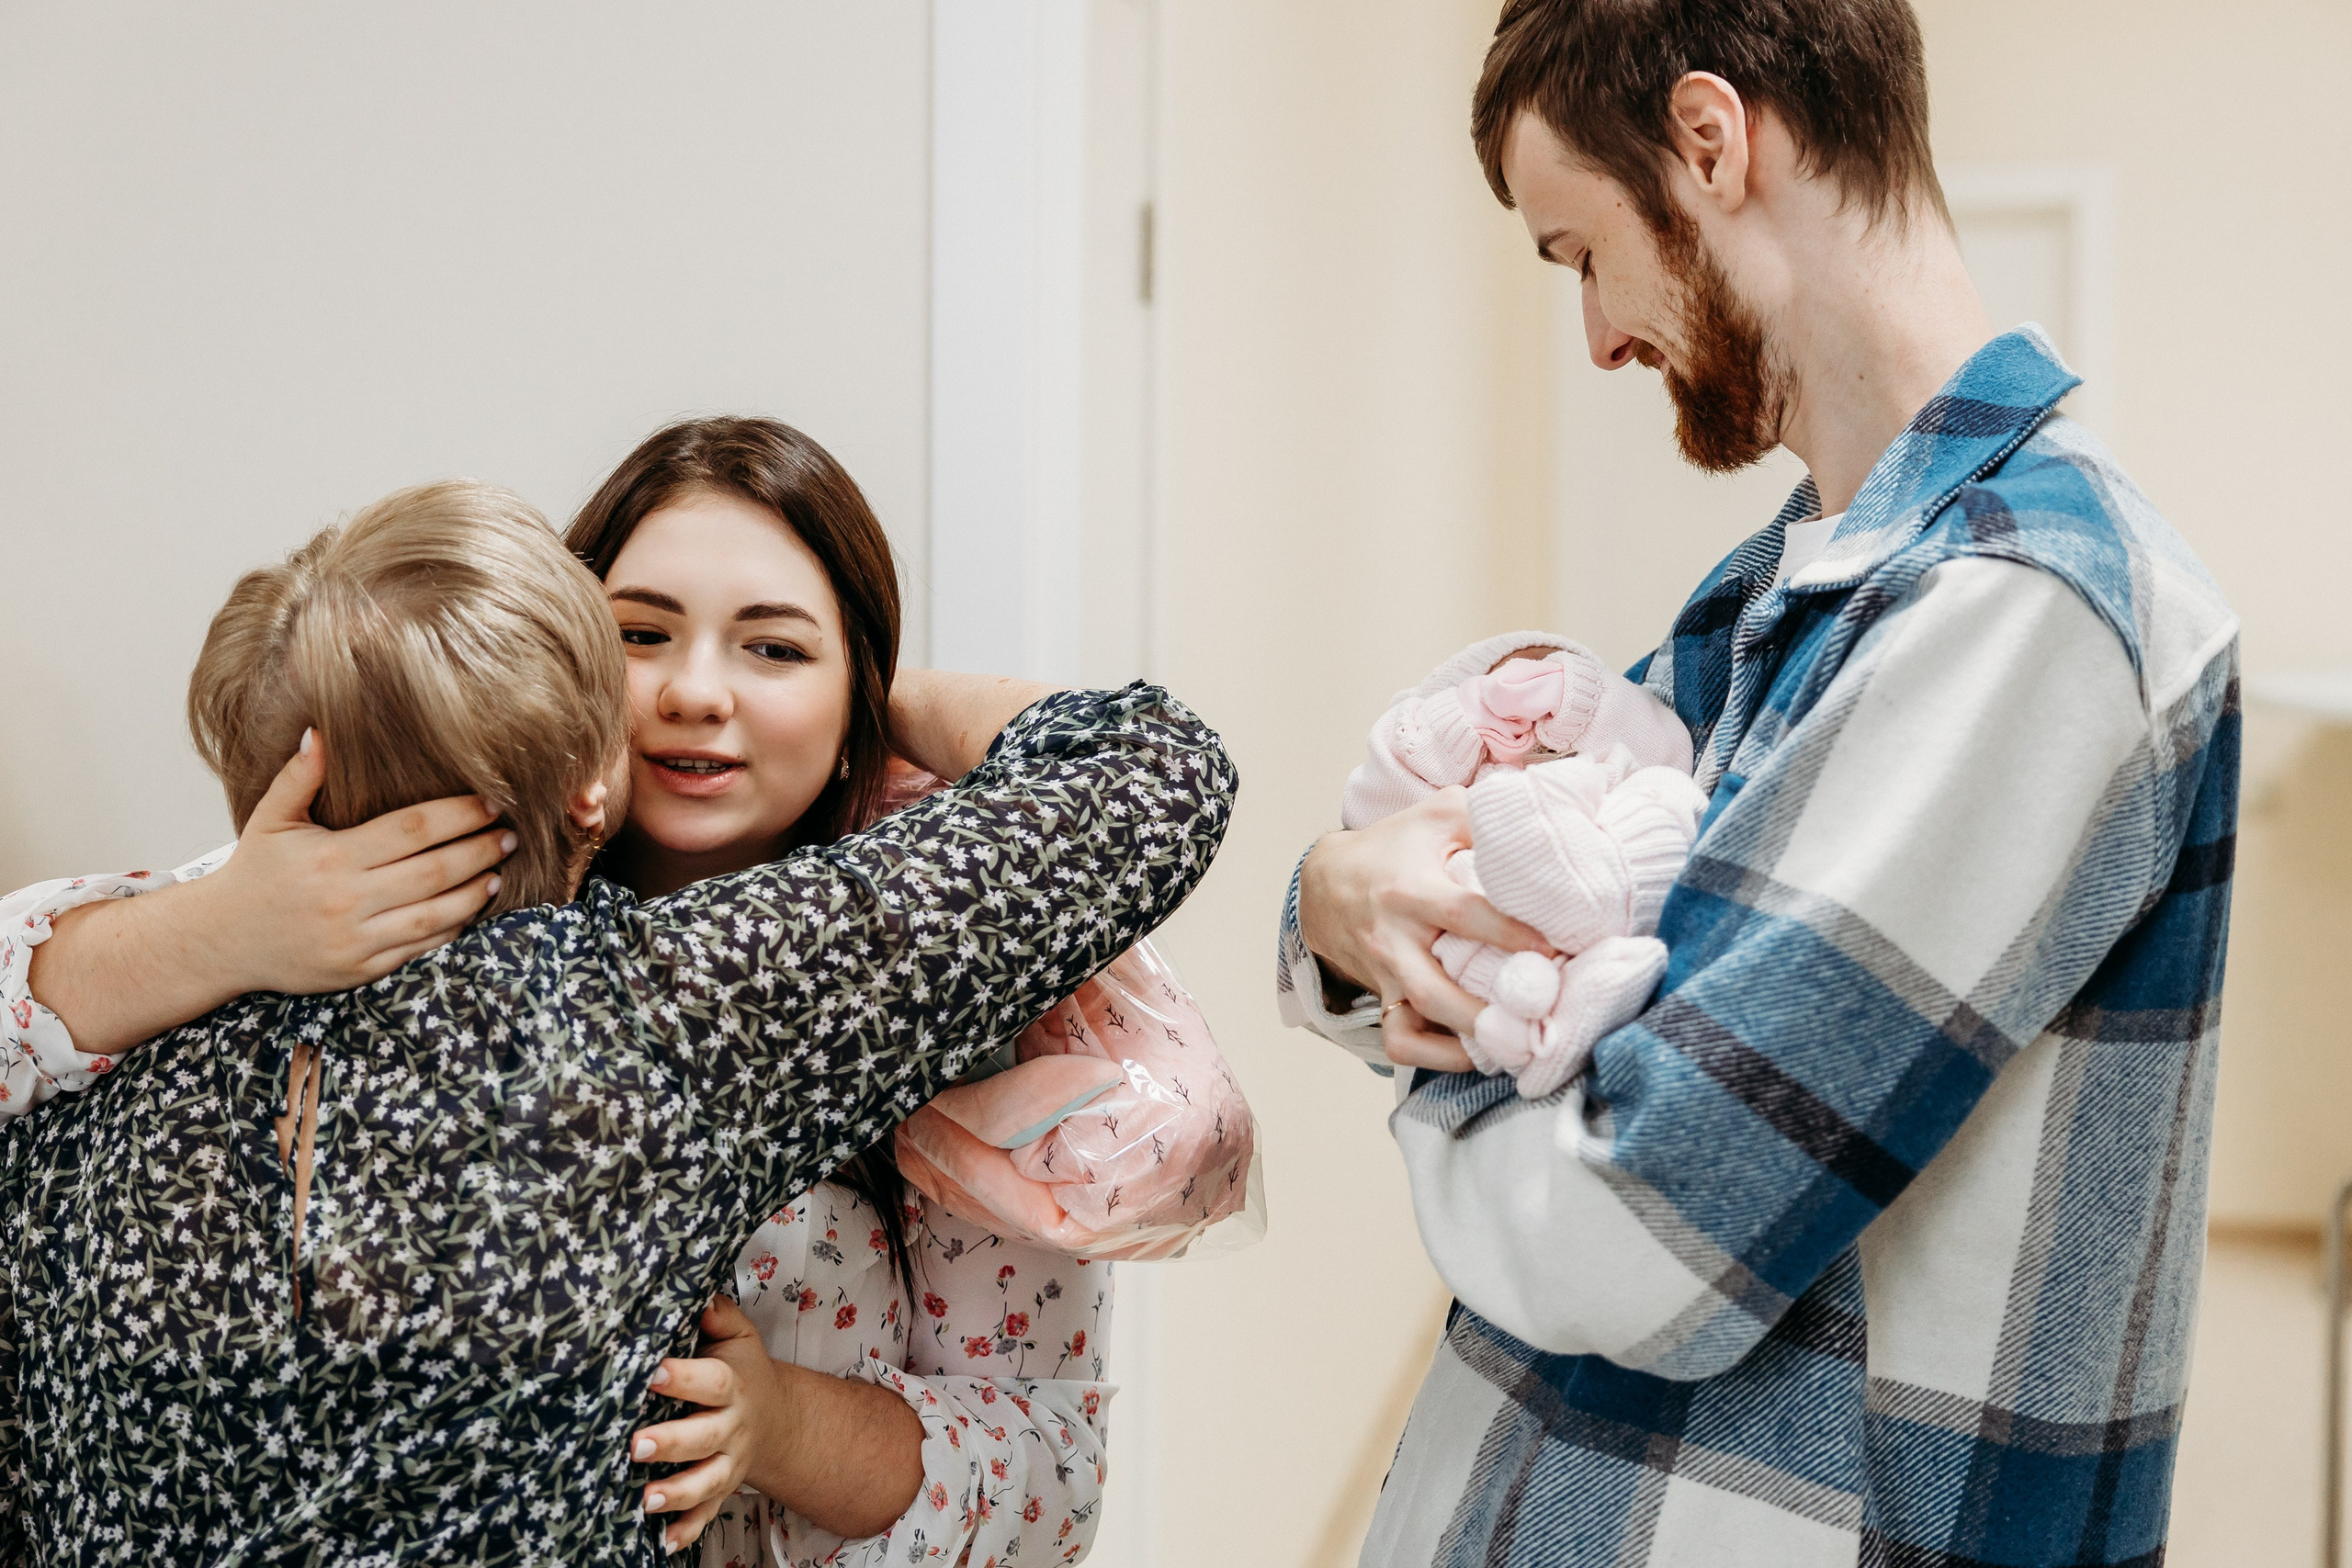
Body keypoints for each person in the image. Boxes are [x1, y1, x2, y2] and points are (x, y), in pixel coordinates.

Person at [1279, 4, 2236, 1564]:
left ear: (1711, 143)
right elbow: (1413, 902)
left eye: (1582, 251)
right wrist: (1333, 907)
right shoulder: (1784, 589)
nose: (1595, 337)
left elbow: (1629, 1229)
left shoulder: (2034, 609)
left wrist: (1429, 1040)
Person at [1, 418, 1211, 1566]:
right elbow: (1151, 772)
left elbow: (1048, 1481)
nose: (696, 691)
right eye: (638, 634)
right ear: (570, 692)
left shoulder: (921, 990)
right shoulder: (295, 918)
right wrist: (218, 929)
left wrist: (791, 1430)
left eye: (777, 647)